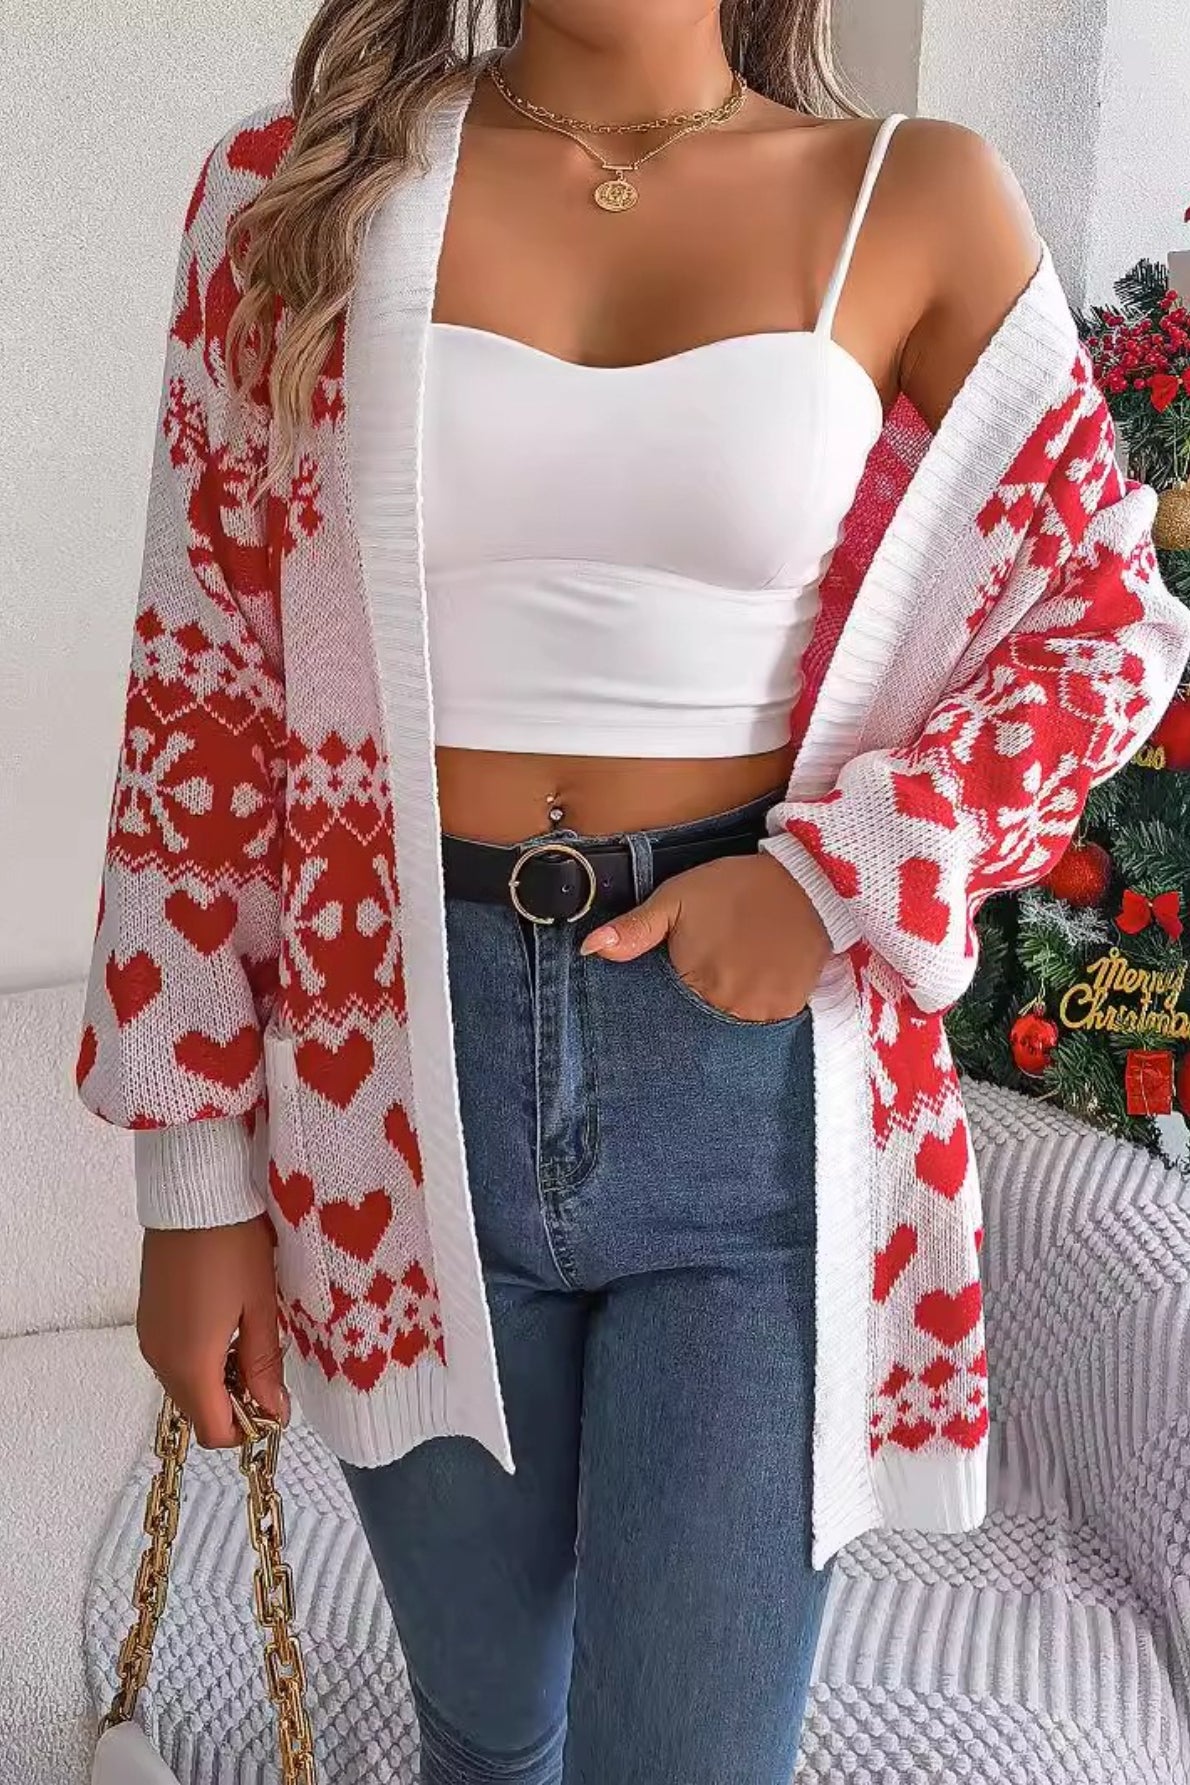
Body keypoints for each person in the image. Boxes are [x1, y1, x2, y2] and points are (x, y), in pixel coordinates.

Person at [74, 3, 1190, 1780]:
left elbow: (1107, 621)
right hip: (386, 1085)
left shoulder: (913, 197)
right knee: (486, 1730)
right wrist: (192, 1179)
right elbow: (203, 692)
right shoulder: (295, 194)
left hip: (751, 1105)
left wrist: (839, 875)